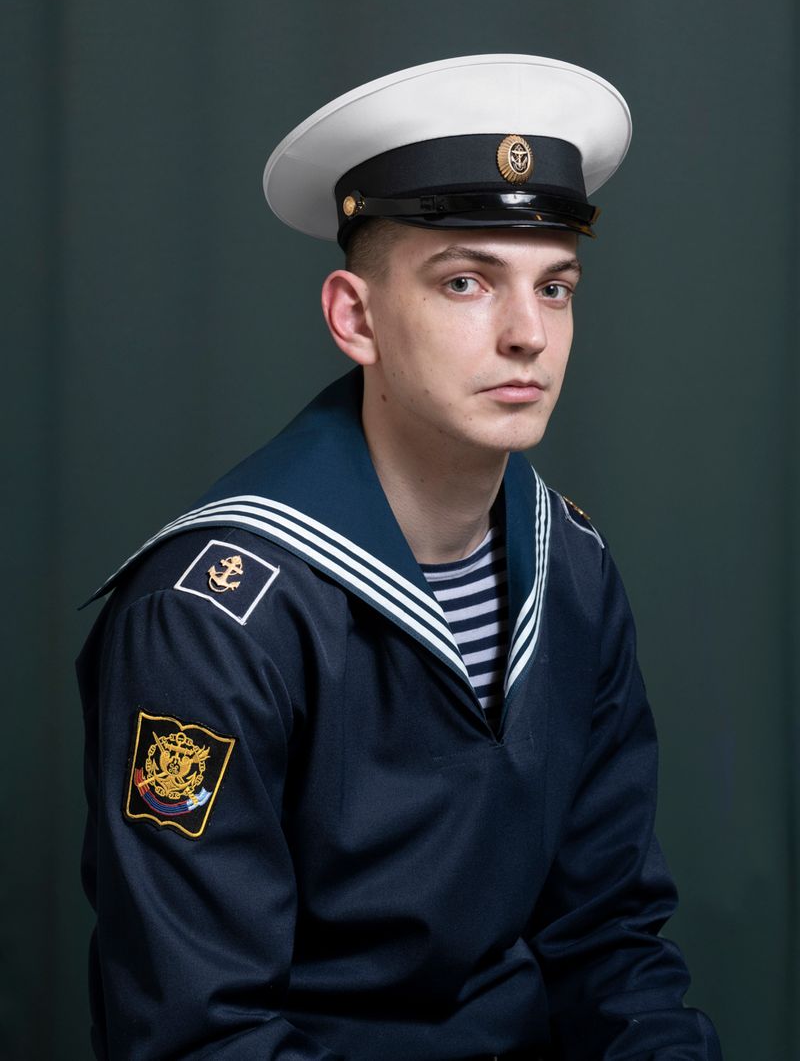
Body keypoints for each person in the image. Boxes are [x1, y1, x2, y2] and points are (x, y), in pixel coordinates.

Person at [78, 54, 722, 1061]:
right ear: (356, 317)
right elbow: (200, 1034)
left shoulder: (574, 569)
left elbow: (610, 942)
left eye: (553, 288)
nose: (525, 335)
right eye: (464, 280)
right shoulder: (208, 618)